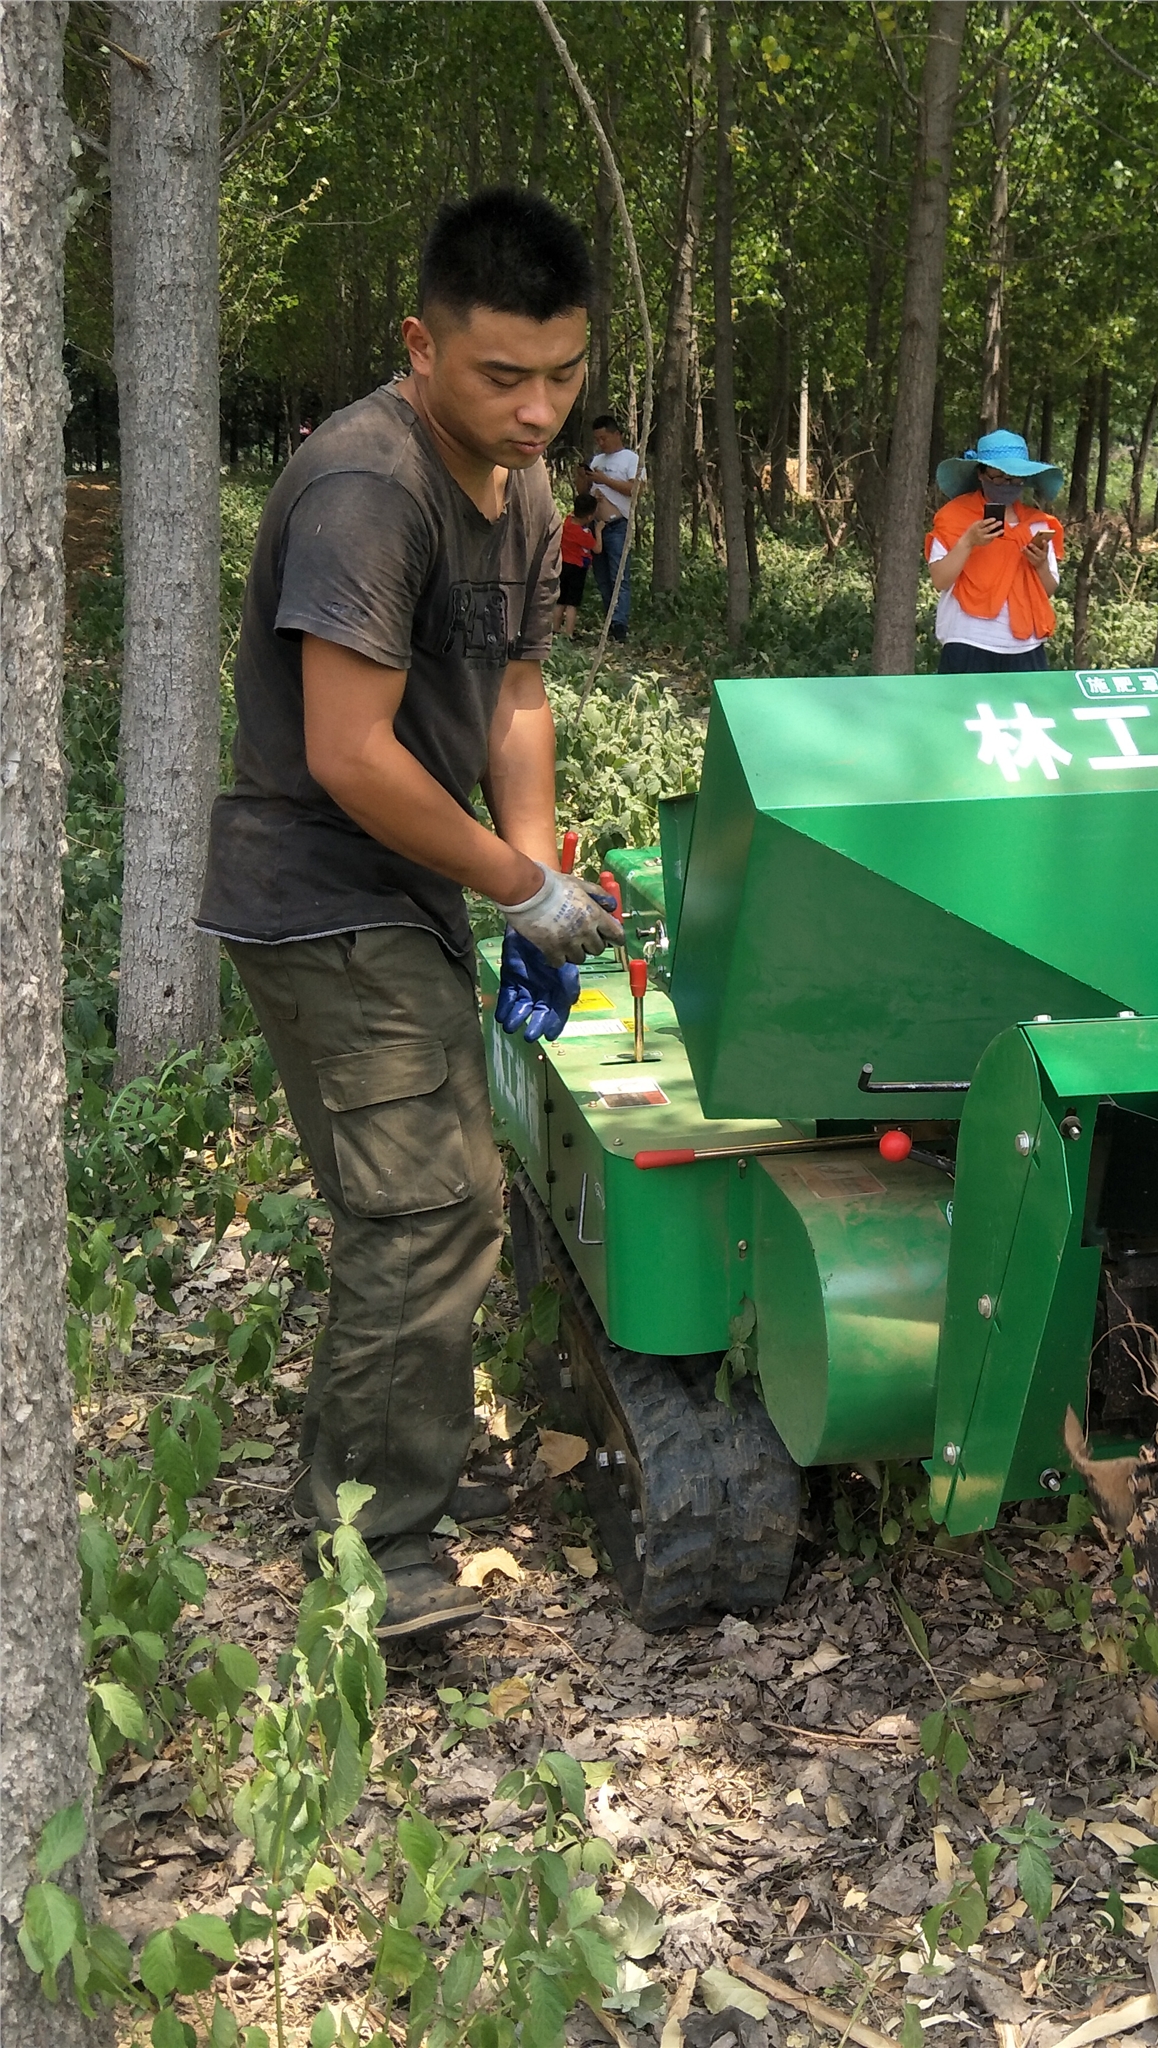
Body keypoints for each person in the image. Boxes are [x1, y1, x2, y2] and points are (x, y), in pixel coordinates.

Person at [196, 189, 623, 1638]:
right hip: (320, 894)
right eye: (504, 376)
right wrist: (516, 884)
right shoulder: (370, 486)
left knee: (441, 1195)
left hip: (408, 891)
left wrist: (534, 875)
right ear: (419, 346)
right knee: (427, 1204)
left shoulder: (529, 492)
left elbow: (513, 694)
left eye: (563, 373)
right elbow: (349, 750)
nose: (539, 409)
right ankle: (372, 1555)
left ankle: (396, 1454)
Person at [926, 429, 1064, 673]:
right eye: (999, 477)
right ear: (981, 474)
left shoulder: (1038, 524)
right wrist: (968, 541)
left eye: (1015, 479)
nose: (1008, 484)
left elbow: (1048, 589)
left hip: (1027, 646)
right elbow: (940, 579)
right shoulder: (955, 517)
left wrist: (1041, 565)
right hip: (968, 640)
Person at [577, 413, 639, 641]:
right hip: (595, 526)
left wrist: (605, 480)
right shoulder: (597, 461)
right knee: (602, 577)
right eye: (597, 439)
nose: (601, 443)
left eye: (604, 438)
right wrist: (584, 477)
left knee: (619, 576)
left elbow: (635, 490)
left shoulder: (630, 459)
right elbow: (584, 493)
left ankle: (620, 625)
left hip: (617, 525)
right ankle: (609, 622)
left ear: (616, 434)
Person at [556, 490, 598, 637]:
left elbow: (576, 513)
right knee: (572, 603)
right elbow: (597, 548)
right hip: (578, 568)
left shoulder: (567, 522)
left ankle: (554, 629)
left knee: (560, 599)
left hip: (563, 565)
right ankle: (569, 633)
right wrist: (598, 531)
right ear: (589, 517)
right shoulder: (584, 535)